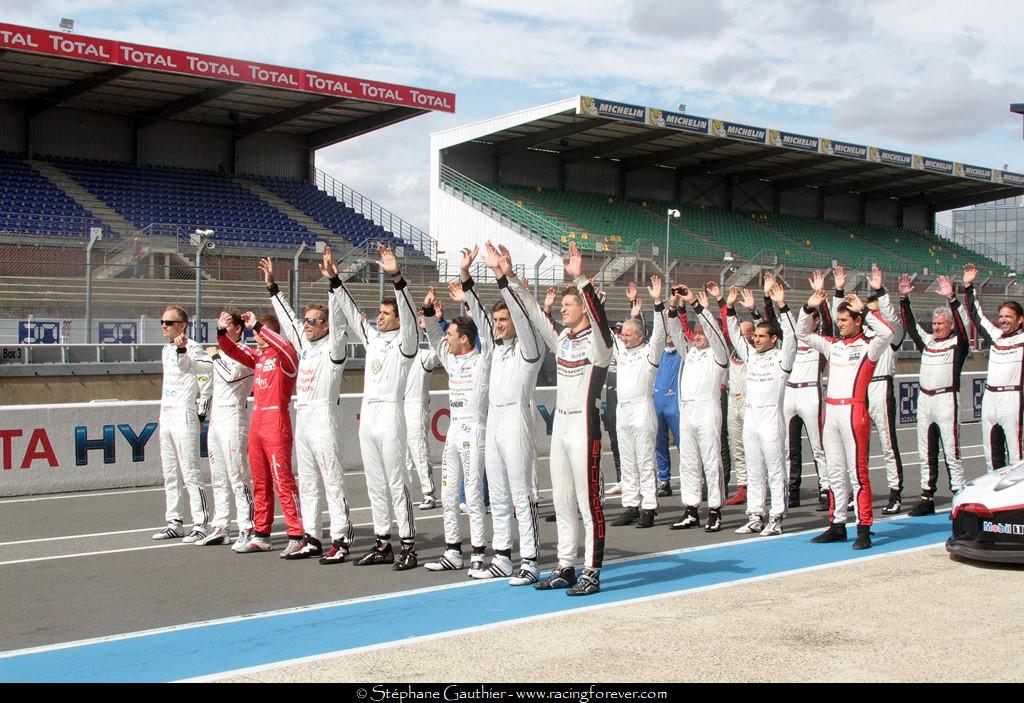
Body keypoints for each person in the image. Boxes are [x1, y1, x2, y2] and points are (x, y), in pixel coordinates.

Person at [509, 242, 613, 596]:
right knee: (563, 501)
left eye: (569, 305)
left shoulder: (599, 344)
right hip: (561, 428)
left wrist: (581, 279)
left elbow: (601, 324)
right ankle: (566, 566)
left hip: (585, 427)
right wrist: (508, 277)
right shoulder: (565, 338)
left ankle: (592, 571)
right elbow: (538, 317)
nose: (563, 310)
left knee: (588, 503)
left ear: (583, 307)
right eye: (564, 305)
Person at [263, 248, 355, 563]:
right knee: (308, 481)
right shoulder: (305, 346)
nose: (307, 325)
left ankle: (341, 539)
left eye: (314, 321)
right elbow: (288, 321)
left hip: (324, 419)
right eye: (307, 320)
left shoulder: (334, 349)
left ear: (326, 326)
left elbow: (340, 320)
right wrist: (273, 288)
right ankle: (312, 537)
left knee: (331, 480)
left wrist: (333, 281)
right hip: (302, 418)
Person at [333, 244, 420, 571]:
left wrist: (396, 277)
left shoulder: (406, 342)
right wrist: (334, 280)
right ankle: (383, 542)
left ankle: (408, 544)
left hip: (391, 415)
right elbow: (354, 315)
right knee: (374, 482)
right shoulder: (373, 339)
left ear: (397, 318)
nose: (379, 317)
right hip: (368, 415)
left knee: (397, 481)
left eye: (385, 314)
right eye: (380, 314)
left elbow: (409, 313)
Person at [798, 288, 894, 550]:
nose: (839, 325)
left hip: (855, 412)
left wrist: (864, 309)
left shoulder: (869, 347)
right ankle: (837, 524)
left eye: (844, 321)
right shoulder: (833, 346)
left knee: (857, 473)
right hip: (831, 412)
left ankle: (864, 527)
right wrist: (808, 307)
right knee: (835, 473)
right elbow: (802, 333)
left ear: (858, 321)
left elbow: (888, 333)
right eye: (838, 321)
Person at [474, 241, 546, 584]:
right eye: (497, 320)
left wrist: (505, 280)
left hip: (517, 420)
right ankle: (502, 556)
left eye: (504, 319)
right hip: (494, 422)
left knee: (521, 493)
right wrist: (470, 278)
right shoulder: (495, 349)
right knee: (499, 494)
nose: (500, 325)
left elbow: (523, 318)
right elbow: (478, 318)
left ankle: (530, 560)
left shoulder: (529, 351)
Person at [421, 251, 495, 574]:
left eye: (452, 334)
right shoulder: (450, 359)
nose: (447, 338)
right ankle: (453, 550)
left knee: (474, 495)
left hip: (474, 430)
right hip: (453, 431)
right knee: (450, 495)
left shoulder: (482, 361)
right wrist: (426, 312)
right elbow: (434, 336)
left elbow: (488, 331)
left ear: (465, 338)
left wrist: (468, 284)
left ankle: (479, 552)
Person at [217, 308, 303, 554]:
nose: (255, 334)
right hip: (258, 419)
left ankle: (296, 534)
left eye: (260, 330)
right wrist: (222, 330)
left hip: (277, 418)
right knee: (261, 481)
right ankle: (261, 534)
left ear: (269, 331)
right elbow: (231, 349)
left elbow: (285, 345)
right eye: (254, 330)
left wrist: (258, 325)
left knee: (282, 479)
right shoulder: (258, 357)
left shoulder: (286, 356)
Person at [833, 265, 906, 514]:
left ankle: (895, 493)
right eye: (867, 314)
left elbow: (892, 320)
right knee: (857, 446)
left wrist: (880, 292)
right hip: (859, 391)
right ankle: (857, 491)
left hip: (881, 388)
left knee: (887, 444)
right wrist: (840, 291)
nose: (871, 317)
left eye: (875, 313)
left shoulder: (891, 337)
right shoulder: (861, 338)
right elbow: (841, 317)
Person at [727, 283, 797, 536]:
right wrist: (730, 308)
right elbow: (735, 334)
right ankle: (755, 515)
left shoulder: (782, 358)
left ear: (773, 339)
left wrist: (782, 305)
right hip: (751, 419)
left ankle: (777, 517)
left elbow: (792, 336)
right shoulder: (751, 354)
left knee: (775, 470)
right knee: (754, 470)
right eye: (754, 336)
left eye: (760, 336)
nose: (755, 339)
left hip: (771, 420)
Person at [899, 273, 969, 515]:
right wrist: (904, 298)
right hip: (925, 400)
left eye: (941, 323)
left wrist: (952, 298)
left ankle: (959, 495)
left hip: (947, 400)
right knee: (925, 450)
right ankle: (926, 497)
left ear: (950, 325)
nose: (936, 327)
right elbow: (910, 326)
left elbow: (963, 325)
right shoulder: (928, 342)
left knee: (952, 450)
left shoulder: (958, 342)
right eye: (935, 323)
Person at [668, 284, 729, 532]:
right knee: (688, 462)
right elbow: (673, 328)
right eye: (697, 330)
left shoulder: (719, 354)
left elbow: (715, 335)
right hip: (687, 411)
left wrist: (696, 305)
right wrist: (673, 305)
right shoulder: (689, 352)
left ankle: (715, 509)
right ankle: (691, 509)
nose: (699, 334)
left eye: (704, 330)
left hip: (707, 410)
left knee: (711, 460)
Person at [152, 305, 214, 543]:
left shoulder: (195, 347)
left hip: (184, 412)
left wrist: (201, 411)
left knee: (190, 471)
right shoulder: (165, 350)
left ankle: (201, 523)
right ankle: (174, 521)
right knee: (170, 472)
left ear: (182, 325)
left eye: (169, 322)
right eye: (162, 322)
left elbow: (206, 373)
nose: (164, 326)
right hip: (166, 413)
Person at [609, 276, 666, 529]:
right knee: (627, 460)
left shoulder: (649, 354)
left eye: (629, 334)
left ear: (641, 336)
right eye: (623, 334)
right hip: (623, 410)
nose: (624, 337)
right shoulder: (621, 350)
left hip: (643, 408)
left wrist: (657, 302)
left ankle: (649, 508)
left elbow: (661, 335)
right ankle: (630, 505)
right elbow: (605, 334)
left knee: (645, 460)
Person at [200, 309, 255, 549]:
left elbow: (231, 376)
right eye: (219, 324)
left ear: (237, 329)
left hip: (234, 417)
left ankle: (247, 526)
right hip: (217, 419)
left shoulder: (245, 352)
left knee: (238, 474)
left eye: (226, 325)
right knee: (218, 475)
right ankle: (220, 525)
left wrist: (214, 357)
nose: (221, 328)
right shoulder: (221, 353)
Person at [963, 262, 1024, 471]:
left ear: (1020, 319)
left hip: (1013, 399)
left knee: (1016, 455)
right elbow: (976, 316)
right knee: (991, 454)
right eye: (1001, 316)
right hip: (990, 399)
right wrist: (969, 287)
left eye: (1008, 316)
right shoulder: (995, 336)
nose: (1003, 320)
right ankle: (993, 496)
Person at [783, 270, 833, 512]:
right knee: (790, 447)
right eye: (807, 316)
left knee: (818, 446)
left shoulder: (822, 341)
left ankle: (826, 489)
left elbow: (830, 323)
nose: (809, 320)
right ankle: (793, 490)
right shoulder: (792, 340)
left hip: (811, 394)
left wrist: (820, 299)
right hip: (790, 394)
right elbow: (779, 320)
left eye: (814, 318)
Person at [405, 315, 440, 511]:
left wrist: (429, 326)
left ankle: (429, 493)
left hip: (416, 407)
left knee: (419, 451)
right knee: (404, 456)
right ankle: (406, 493)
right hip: (399, 407)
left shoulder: (423, 356)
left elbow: (440, 352)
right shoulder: (398, 355)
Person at [654, 333, 681, 498]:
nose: (670, 335)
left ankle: (693, 478)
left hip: (675, 402)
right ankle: (664, 481)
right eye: (667, 331)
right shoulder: (657, 352)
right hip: (657, 401)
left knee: (684, 444)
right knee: (659, 444)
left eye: (673, 330)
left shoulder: (683, 352)